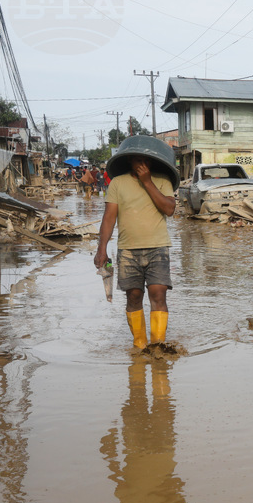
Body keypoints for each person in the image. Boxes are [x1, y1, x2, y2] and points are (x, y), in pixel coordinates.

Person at [94, 136, 179, 349]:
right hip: (128, 250)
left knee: (158, 293)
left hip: (158, 247)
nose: (142, 164)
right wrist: (101, 249)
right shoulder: (118, 183)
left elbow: (169, 209)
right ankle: (140, 346)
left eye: (147, 160)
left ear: (153, 162)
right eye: (137, 159)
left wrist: (147, 182)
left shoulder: (162, 181)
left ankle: (158, 346)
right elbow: (108, 219)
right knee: (133, 296)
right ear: (129, 160)